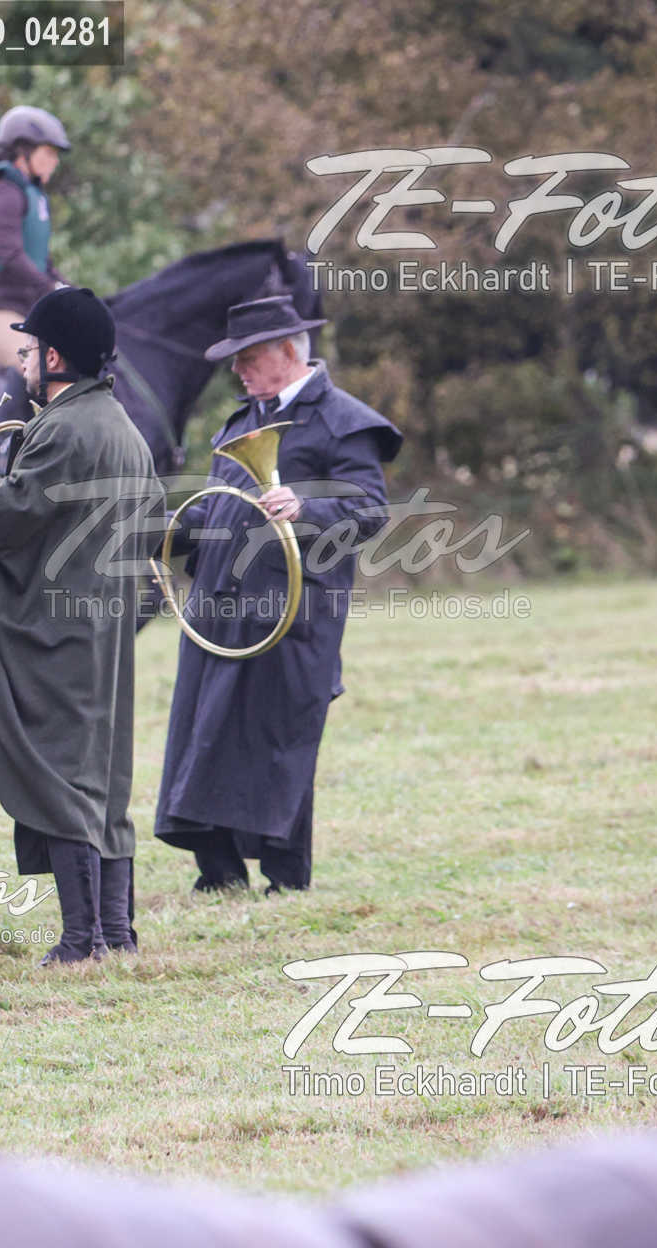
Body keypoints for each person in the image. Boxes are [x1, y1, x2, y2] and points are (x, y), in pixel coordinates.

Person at [0, 288, 162, 964]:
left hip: (56, 635)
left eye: (30, 351)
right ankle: (116, 933)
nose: (23, 362)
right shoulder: (124, 428)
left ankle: (81, 938)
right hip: (102, 633)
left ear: (57, 357)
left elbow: (10, 516)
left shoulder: (63, 429)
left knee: (59, 775)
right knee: (103, 778)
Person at [155, 295, 401, 894]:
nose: (237, 369)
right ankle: (219, 872)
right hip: (218, 609)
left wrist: (306, 506)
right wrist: (160, 531)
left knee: (277, 740)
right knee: (204, 735)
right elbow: (218, 513)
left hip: (293, 614)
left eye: (248, 357)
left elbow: (370, 511)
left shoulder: (344, 420)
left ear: (288, 352)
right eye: (235, 358)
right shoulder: (239, 423)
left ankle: (286, 877)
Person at [0, 106, 71, 373]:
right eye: (49, 153)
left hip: (24, 311)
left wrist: (76, 294)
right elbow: (9, 255)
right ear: (23, 152)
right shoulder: (2, 191)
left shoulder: (33, 194)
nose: (55, 161)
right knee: (40, 367)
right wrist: (51, 288)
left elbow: (43, 263)